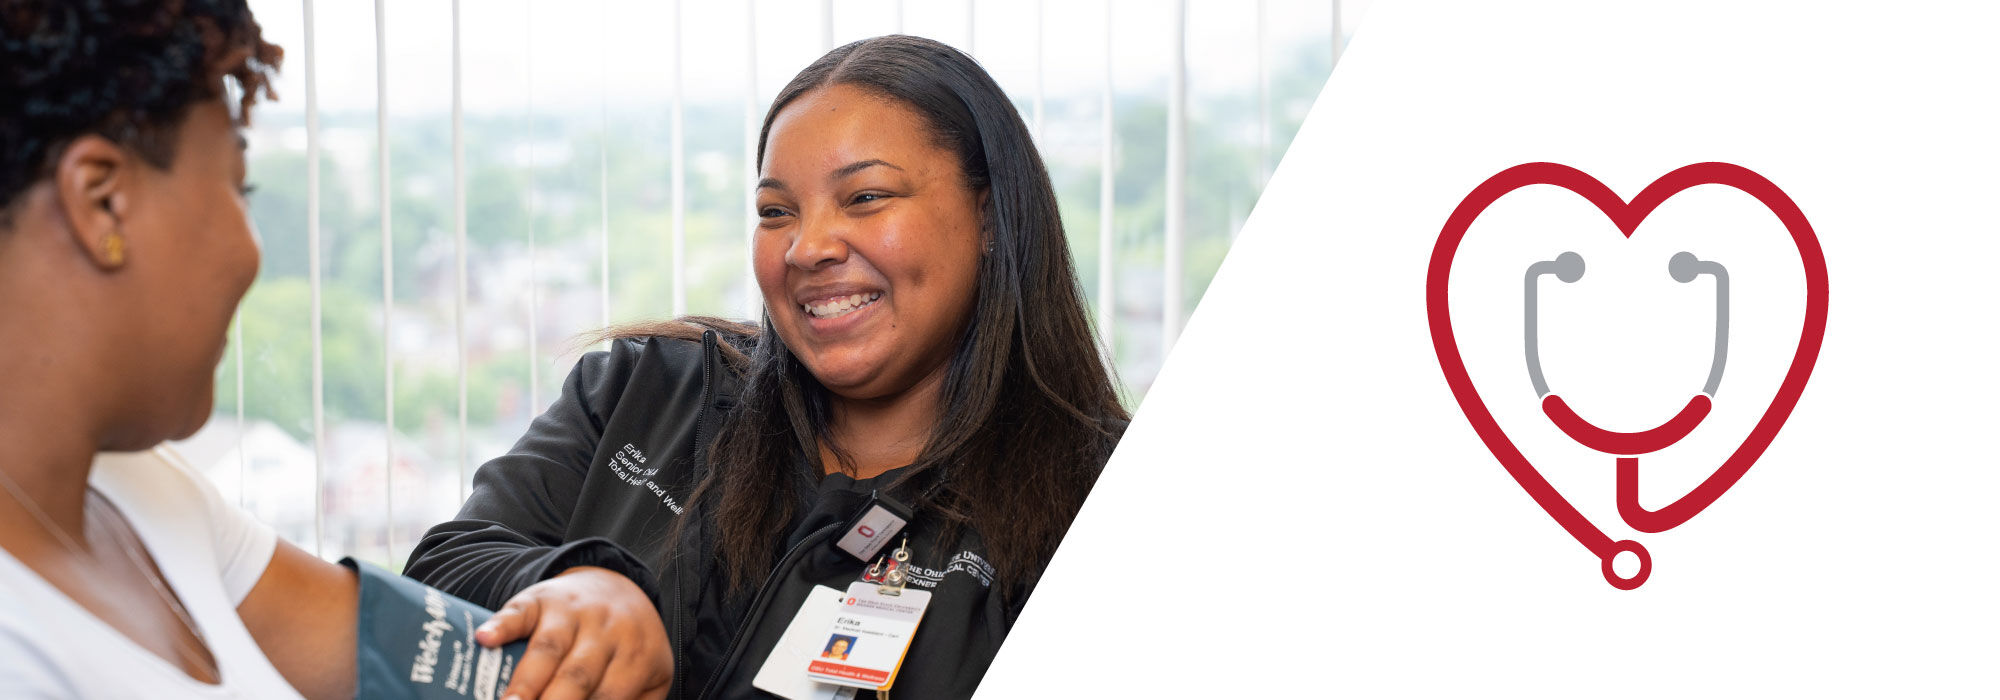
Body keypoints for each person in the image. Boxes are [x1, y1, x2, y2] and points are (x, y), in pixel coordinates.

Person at [406, 35, 1127, 700]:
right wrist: (575, 582)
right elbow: (441, 574)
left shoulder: (1098, 498)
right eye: (776, 211)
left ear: (992, 216)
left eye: (866, 197)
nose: (807, 247)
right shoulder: (646, 389)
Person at [0, 2, 364, 698]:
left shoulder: (138, 491)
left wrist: (581, 601)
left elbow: (439, 659)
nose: (251, 252)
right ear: (103, 202)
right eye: (236, 184)